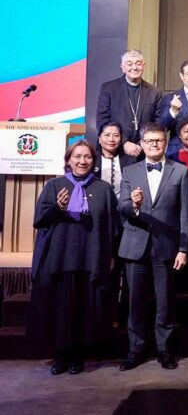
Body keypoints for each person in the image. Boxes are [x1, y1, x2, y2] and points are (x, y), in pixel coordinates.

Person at [28, 141, 120, 375]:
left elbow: (112, 226)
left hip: (90, 258)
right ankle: (61, 355)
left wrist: (110, 255)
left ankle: (78, 356)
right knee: (60, 309)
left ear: (93, 161)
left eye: (87, 157)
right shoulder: (54, 185)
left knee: (83, 309)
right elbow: (40, 220)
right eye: (77, 156)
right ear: (68, 160)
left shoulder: (103, 189)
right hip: (59, 258)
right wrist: (58, 208)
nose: (82, 161)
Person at [117, 123, 188, 371]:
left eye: (159, 140)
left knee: (165, 302)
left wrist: (183, 248)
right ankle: (135, 350)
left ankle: (165, 350)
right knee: (135, 302)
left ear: (166, 142)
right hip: (135, 245)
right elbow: (122, 207)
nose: (154, 144)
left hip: (167, 246)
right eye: (149, 141)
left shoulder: (180, 171)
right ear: (142, 143)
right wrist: (134, 205)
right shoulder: (130, 171)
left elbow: (185, 214)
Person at [96, 49, 163, 157]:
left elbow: (158, 123)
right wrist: (124, 142)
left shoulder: (154, 92)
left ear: (144, 66)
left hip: (143, 151)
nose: (134, 67)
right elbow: (102, 121)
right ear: (122, 67)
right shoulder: (109, 89)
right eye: (129, 64)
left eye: (138, 63)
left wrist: (142, 144)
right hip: (114, 149)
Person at [93, 121, 137, 199]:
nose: (111, 139)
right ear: (99, 138)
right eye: (107, 135)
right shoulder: (92, 161)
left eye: (116, 135)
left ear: (121, 139)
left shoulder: (130, 161)